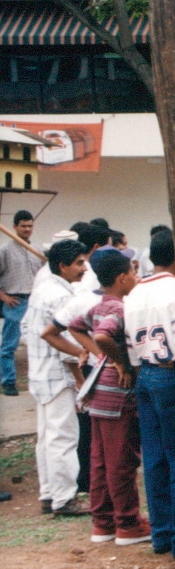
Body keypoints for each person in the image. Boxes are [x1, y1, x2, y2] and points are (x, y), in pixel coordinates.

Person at [62, 248, 150, 545]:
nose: (138, 278)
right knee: (121, 460)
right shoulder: (118, 309)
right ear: (122, 278)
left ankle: (103, 523)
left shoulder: (101, 304)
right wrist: (119, 361)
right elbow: (102, 335)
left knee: (100, 460)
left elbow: (76, 327)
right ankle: (127, 523)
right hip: (117, 392)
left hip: (99, 391)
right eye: (134, 273)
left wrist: (101, 358)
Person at [126, 230, 175, 559]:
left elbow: (128, 343)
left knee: (154, 459)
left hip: (145, 373)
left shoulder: (135, 291)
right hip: (171, 371)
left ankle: (161, 534)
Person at [28, 238, 90, 516]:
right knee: (63, 437)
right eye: (79, 263)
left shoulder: (43, 289)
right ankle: (64, 499)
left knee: (48, 437)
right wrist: (80, 378)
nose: (84, 268)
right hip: (56, 375)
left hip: (40, 373)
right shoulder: (61, 295)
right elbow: (64, 346)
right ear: (63, 266)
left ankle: (50, 493)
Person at [0, 210, 40, 396]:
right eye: (23, 226)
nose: (27, 229)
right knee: (10, 345)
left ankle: (37, 382)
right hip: (15, 302)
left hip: (34, 302)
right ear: (15, 227)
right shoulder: (5, 250)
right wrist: (4, 297)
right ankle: (8, 382)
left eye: (30, 226)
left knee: (38, 343)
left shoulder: (35, 250)